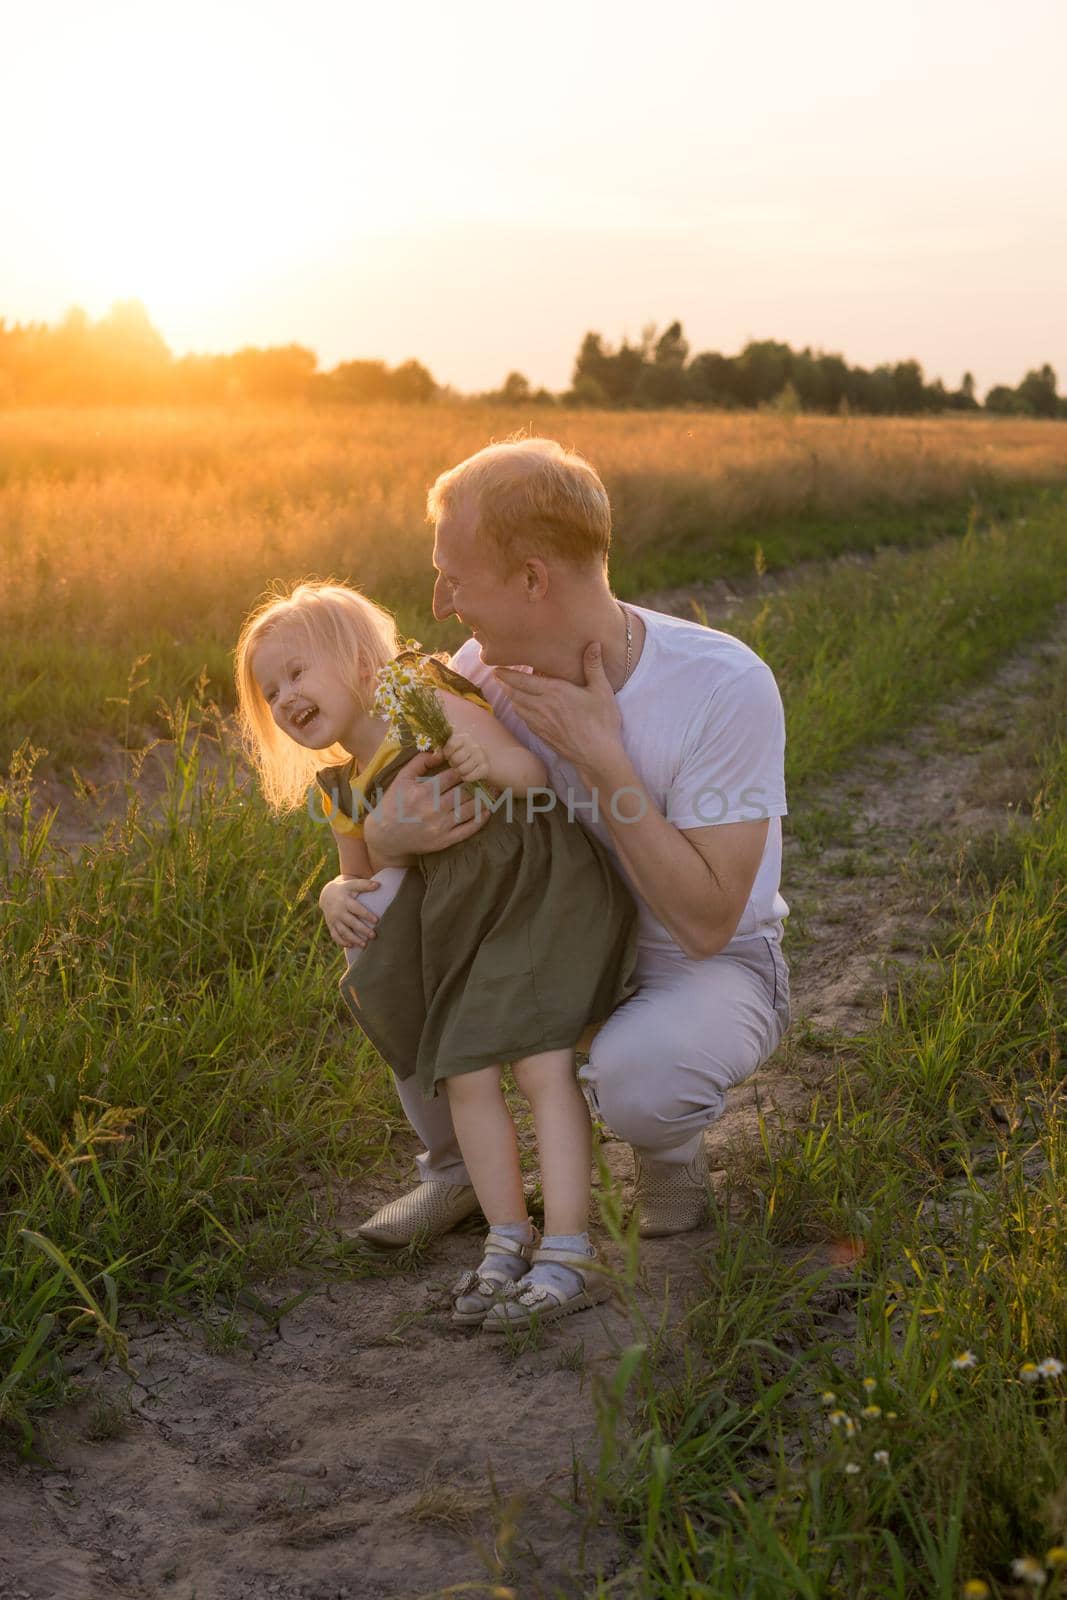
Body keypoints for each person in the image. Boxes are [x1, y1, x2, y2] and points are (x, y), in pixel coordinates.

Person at [323, 438, 792, 1247]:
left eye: (454, 576)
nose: (438, 603)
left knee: (639, 1077)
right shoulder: (476, 672)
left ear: (533, 579)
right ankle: (456, 1172)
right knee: (385, 914)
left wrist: (600, 756)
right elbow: (398, 806)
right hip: (540, 940)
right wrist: (387, 845)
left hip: (693, 966)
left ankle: (668, 1151)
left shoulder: (722, 685)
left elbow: (708, 922)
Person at [234, 581, 640, 1330]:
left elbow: (529, 775)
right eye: (269, 689)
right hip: (465, 924)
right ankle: (506, 1238)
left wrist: (476, 757)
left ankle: (571, 1250)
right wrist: (333, 894)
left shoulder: (417, 697)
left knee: (541, 1063)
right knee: (464, 1074)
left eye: (297, 671)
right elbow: (366, 877)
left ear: (361, 662)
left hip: (535, 893)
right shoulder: (341, 787)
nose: (284, 695)